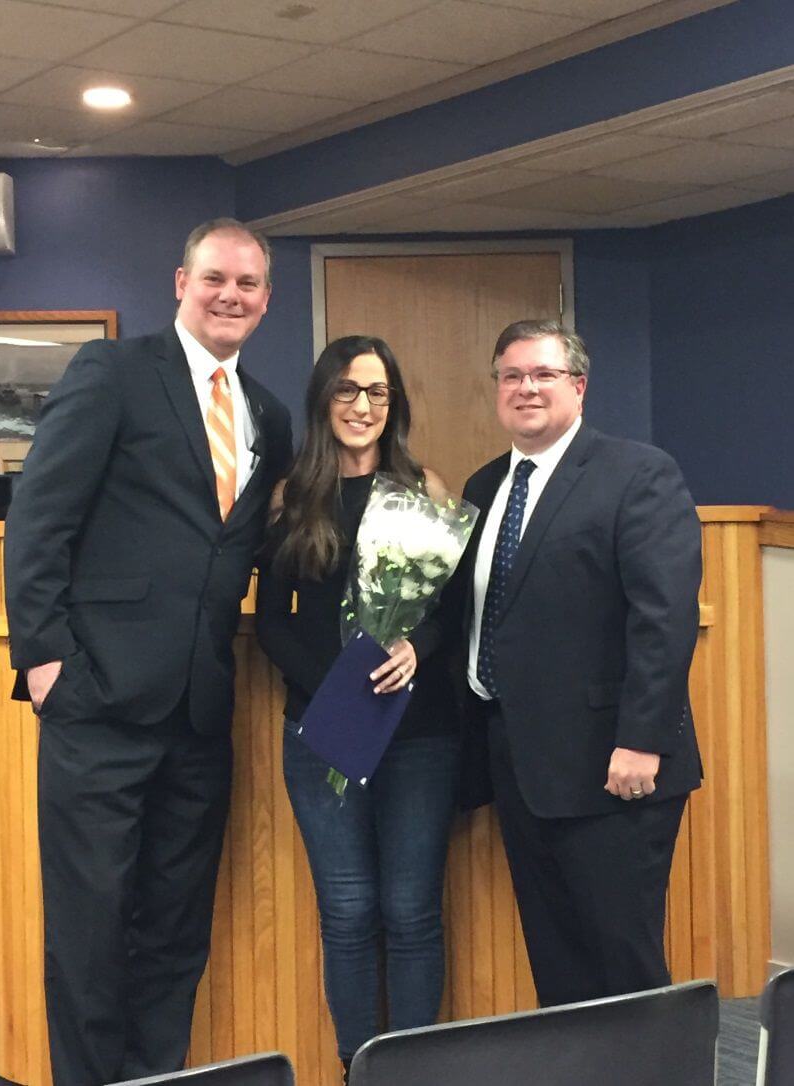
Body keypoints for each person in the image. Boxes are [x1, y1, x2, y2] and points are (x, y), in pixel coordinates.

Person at [4, 218, 292, 1086]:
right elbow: (39, 523)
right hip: (96, 703)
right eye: (215, 279)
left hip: (201, 713)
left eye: (247, 284)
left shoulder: (269, 415)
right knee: (91, 930)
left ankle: (152, 1078)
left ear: (267, 299)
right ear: (180, 282)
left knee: (174, 929)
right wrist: (49, 665)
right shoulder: (115, 373)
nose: (229, 295)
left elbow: (258, 547)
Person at [462, 319, 702, 1007]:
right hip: (521, 762)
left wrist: (642, 740)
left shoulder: (637, 472)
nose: (526, 388)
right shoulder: (484, 488)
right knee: (557, 960)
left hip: (615, 767)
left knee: (621, 961)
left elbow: (663, 617)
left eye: (543, 374)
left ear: (579, 387)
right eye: (511, 375)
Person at [256, 335, 460, 1083]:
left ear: (394, 404)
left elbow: (451, 608)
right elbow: (271, 621)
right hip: (323, 731)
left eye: (377, 392)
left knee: (412, 912)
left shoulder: (424, 487)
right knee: (348, 911)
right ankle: (358, 1069)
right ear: (323, 399)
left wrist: (418, 648)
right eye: (347, 390)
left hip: (419, 734)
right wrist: (337, 690)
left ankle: (411, 1071)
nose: (363, 406)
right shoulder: (290, 497)